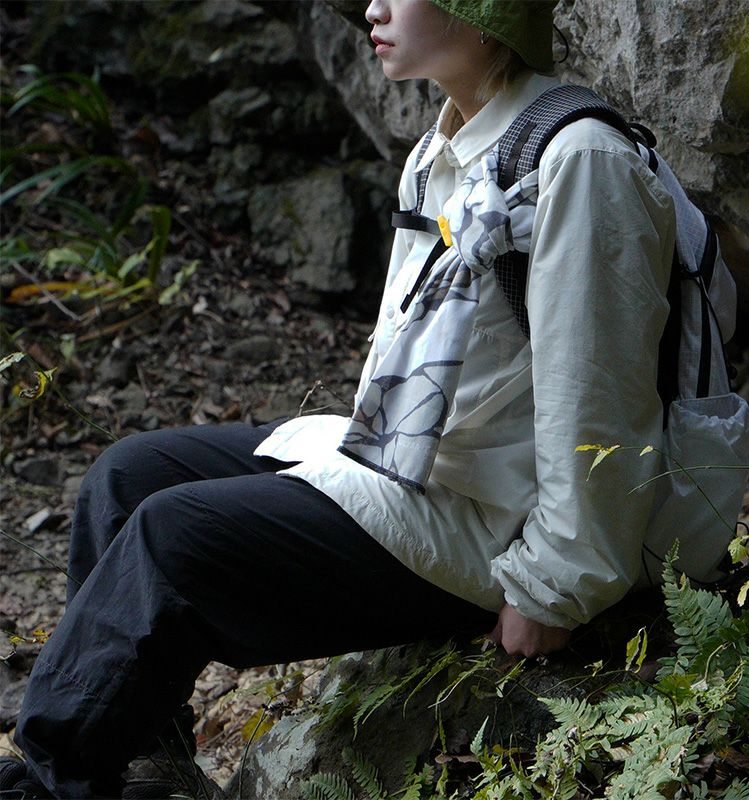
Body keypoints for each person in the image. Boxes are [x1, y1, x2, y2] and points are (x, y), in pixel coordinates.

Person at [1, 1, 676, 797]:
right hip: (412, 461)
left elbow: (600, 396)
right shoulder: (443, 146)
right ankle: (145, 761)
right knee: (125, 478)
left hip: (495, 520)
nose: (372, 8)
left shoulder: (580, 159)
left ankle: (54, 785)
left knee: (170, 540)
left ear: (482, 11)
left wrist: (553, 586)